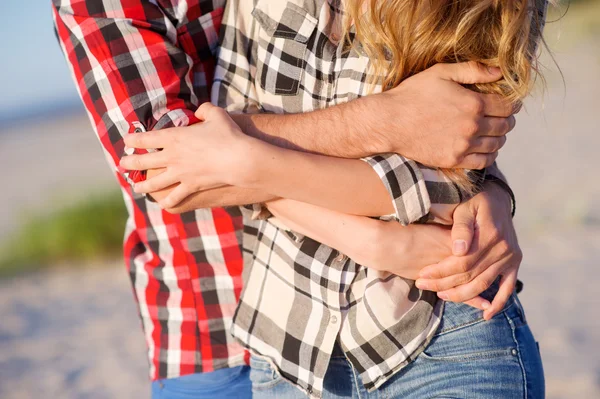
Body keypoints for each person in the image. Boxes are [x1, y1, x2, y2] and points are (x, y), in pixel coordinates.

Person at [55, 0, 526, 398]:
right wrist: (387, 131)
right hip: (215, 331)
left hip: (419, 310)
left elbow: (450, 123)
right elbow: (161, 162)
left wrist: (489, 188)